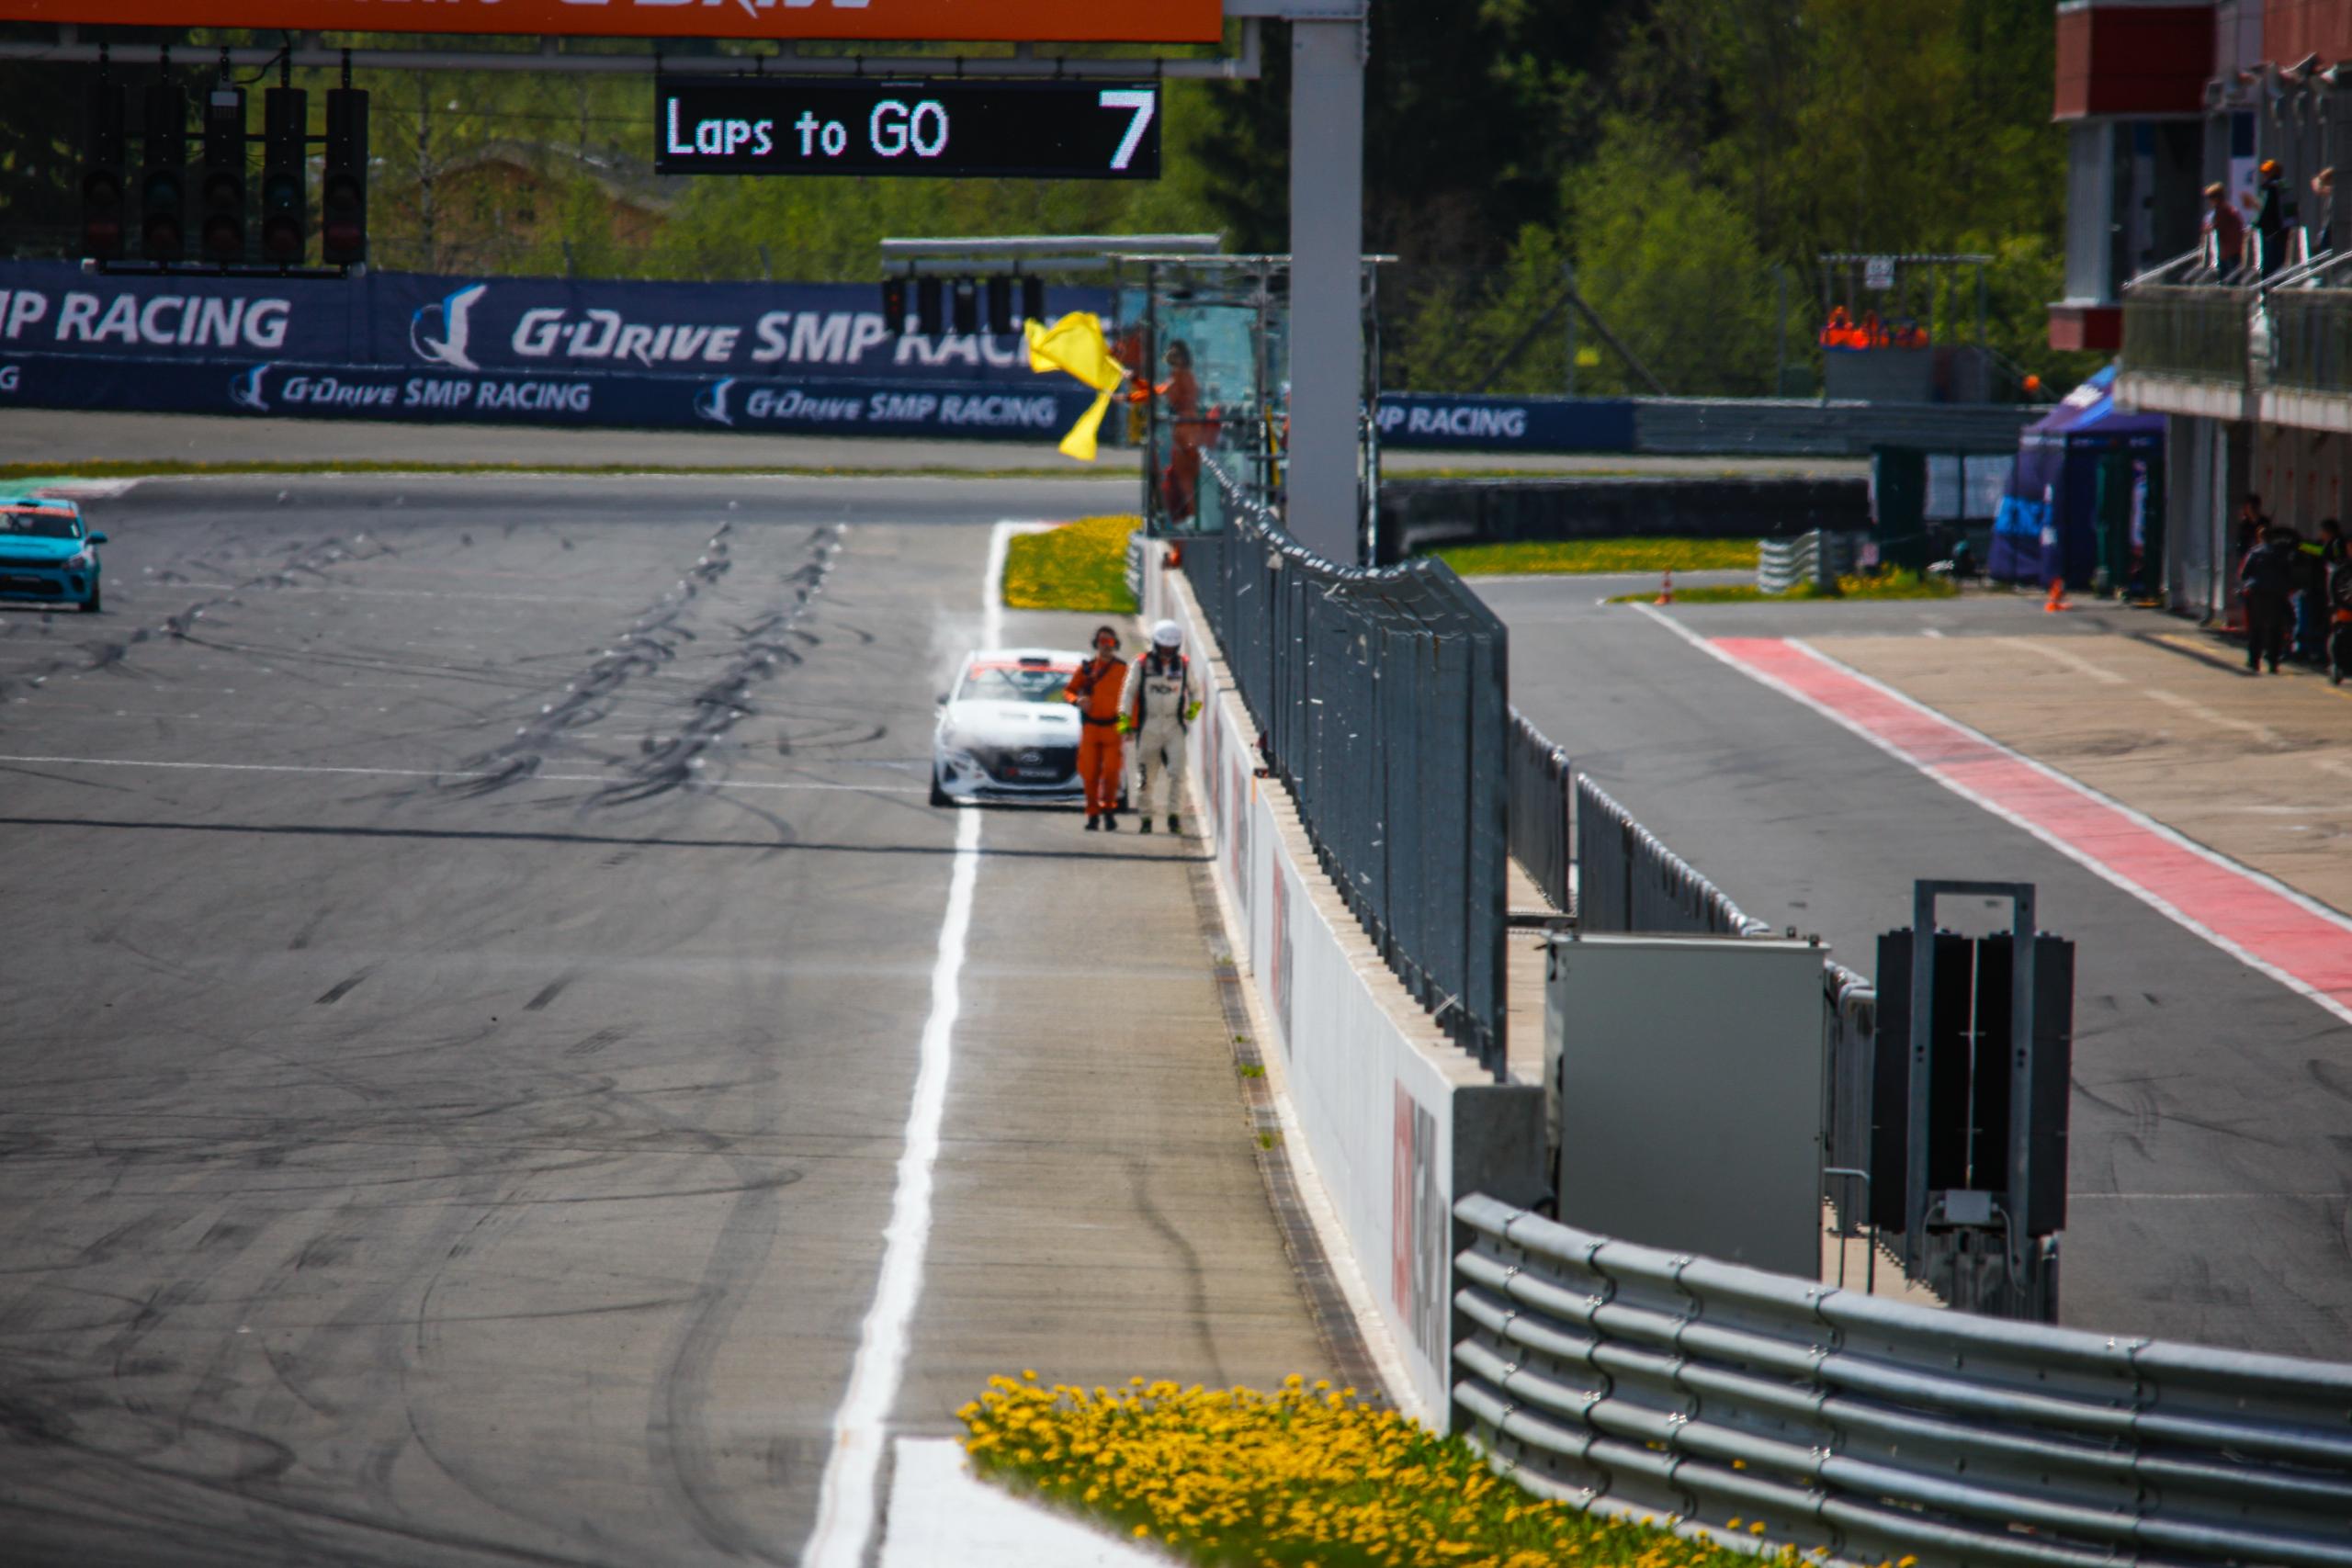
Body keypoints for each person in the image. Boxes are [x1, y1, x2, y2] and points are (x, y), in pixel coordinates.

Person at [1120, 619, 1197, 835]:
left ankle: (1174, 817)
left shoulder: (1183, 665)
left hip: (1174, 726)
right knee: (1145, 777)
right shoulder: (1142, 664)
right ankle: (1146, 818)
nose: (1167, 653)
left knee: (1178, 774)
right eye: (1163, 648)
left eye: (1171, 648)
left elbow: (1196, 691)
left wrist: (1193, 710)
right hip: (1149, 727)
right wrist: (1124, 720)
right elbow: (1128, 692)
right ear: (1155, 644)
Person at [1064, 625, 1129, 829]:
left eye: (1109, 641)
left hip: (1112, 728)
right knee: (1089, 773)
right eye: (1102, 641)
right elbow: (1069, 691)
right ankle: (1092, 814)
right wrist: (1077, 700)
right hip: (1091, 728)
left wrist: (1128, 726)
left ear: (1115, 644)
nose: (1106, 646)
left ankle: (1109, 810)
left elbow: (1132, 699)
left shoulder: (1123, 670)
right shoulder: (1087, 669)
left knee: (1111, 772)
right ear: (1096, 644)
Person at [2240, 524, 2300, 673]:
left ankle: (2254, 661)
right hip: (2277, 594)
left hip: (2257, 593)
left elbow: (2245, 574)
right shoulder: (2281, 553)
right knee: (2275, 628)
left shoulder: (2255, 553)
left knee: (2256, 627)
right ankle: (2273, 662)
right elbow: (2290, 574)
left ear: (2259, 538)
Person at [2254, 159, 2290, 274]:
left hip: (2272, 232)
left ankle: (2271, 284)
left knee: (2269, 266)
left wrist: (2255, 224)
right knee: (2280, 263)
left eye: (2267, 172)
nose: (2265, 175)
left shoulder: (2271, 187)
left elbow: (2265, 209)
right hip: (2285, 231)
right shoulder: (2285, 185)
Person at [2204, 181, 2247, 272]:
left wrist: (2209, 228)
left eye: (2211, 197)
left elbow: (2218, 227)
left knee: (2229, 276)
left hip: (2230, 252)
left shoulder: (2223, 210)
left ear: (2217, 197)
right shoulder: (2227, 209)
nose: (2209, 200)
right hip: (2232, 250)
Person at [2315, 166, 2336, 254]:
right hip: (2329, 230)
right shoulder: (2331, 195)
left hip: (2332, 230)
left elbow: (2318, 186)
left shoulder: (2335, 193)